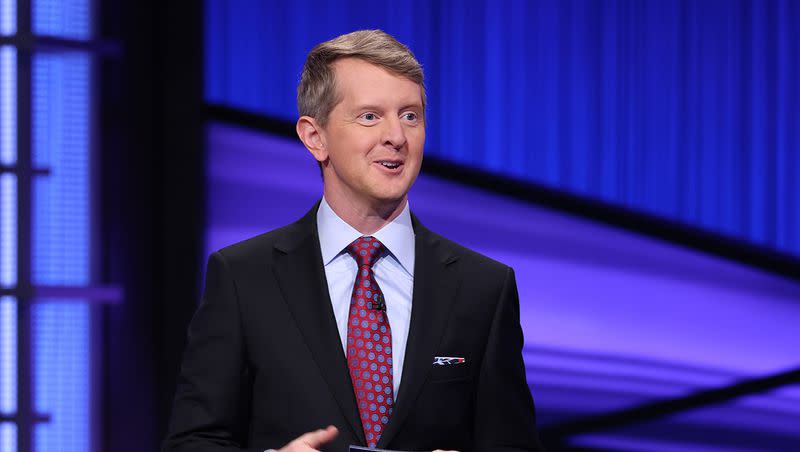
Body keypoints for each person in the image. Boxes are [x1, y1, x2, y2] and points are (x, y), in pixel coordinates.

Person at [164, 30, 542, 452]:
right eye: (369, 116)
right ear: (315, 137)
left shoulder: (483, 287)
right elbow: (192, 441)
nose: (396, 137)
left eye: (410, 115)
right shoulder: (242, 277)